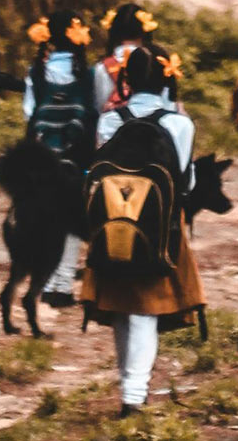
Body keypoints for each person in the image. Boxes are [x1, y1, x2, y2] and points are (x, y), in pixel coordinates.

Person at [86, 47, 202, 416]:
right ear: (169, 78)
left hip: (111, 227)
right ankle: (134, 396)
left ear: (127, 80)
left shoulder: (108, 121)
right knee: (145, 312)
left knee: (121, 308)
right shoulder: (179, 124)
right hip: (160, 231)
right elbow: (185, 181)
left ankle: (128, 386)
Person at [20, 10, 106, 308]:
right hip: (76, 157)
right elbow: (96, 111)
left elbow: (29, 114)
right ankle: (64, 285)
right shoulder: (89, 72)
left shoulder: (36, 71)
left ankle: (45, 281)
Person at [96, 2, 161, 109]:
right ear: (145, 31)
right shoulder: (157, 62)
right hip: (151, 123)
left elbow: (100, 106)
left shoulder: (103, 67)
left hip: (113, 123)